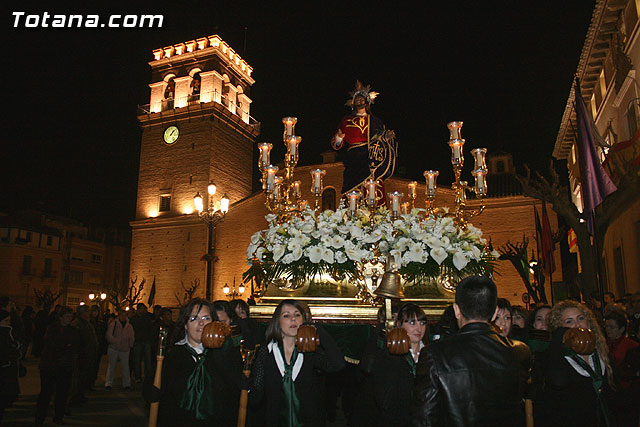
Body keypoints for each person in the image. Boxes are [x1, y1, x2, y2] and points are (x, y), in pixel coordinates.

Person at [411, 275, 532, 427]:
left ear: (456, 310)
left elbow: (424, 419)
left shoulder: (434, 355)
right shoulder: (519, 352)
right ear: (495, 313)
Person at [250, 299, 346, 426]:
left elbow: (338, 364)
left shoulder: (309, 353)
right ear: (277, 322)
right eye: (286, 315)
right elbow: (255, 399)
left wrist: (318, 331)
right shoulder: (267, 352)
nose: (293, 319)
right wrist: (249, 385)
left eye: (297, 315)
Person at [153, 298, 244, 426]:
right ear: (185, 325)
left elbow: (233, 396)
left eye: (206, 318)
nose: (201, 323)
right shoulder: (172, 356)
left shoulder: (226, 355)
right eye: (194, 319)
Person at [533, 300, 613, 427]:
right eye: (569, 321)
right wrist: (560, 337)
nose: (577, 324)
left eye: (581, 318)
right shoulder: (557, 358)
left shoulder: (602, 353)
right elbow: (557, 381)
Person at [354, 303, 428, 427]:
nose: (418, 328)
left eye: (422, 323)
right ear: (399, 325)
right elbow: (383, 398)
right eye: (412, 323)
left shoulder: (430, 354)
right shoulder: (389, 357)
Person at [331, 81, 397, 196]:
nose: (359, 102)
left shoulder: (375, 121)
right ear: (353, 103)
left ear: (367, 102)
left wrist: (386, 137)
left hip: (371, 157)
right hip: (353, 157)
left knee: (373, 185)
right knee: (352, 186)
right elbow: (336, 143)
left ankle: (375, 210)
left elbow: (380, 137)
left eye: (361, 100)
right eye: (357, 100)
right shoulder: (346, 121)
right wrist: (339, 139)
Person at [36, 306, 79, 426]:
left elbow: (75, 345)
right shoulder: (53, 329)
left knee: (62, 393)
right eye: (66, 317)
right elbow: (52, 344)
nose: (69, 319)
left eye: (71, 317)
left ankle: (58, 416)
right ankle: (40, 417)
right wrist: (65, 348)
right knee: (46, 393)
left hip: (65, 366)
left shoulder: (73, 330)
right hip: (50, 365)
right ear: (60, 317)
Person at [604, 310, 639, 426]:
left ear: (622, 329)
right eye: (607, 326)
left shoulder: (632, 346)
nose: (608, 329)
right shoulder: (602, 344)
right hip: (609, 393)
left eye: (612, 327)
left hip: (627, 393)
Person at [71, 305, 98, 405]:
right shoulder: (77, 323)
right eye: (87, 311)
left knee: (83, 376)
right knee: (78, 377)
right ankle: (75, 397)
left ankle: (80, 395)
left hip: (87, 354)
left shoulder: (87, 323)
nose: (89, 313)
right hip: (81, 354)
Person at [105, 309, 135, 390]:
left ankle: (126, 383)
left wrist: (130, 345)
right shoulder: (114, 324)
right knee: (112, 365)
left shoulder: (129, 326)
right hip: (114, 347)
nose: (124, 317)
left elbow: (132, 336)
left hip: (125, 348)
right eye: (122, 315)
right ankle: (109, 382)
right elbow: (109, 335)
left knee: (125, 366)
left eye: (125, 315)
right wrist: (115, 341)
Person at [0, 310, 20, 424]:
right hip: (4, 366)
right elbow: (7, 349)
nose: (8, 323)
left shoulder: (9, 332)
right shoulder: (4, 333)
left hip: (8, 367)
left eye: (9, 321)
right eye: (6, 321)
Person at [130, 303, 155, 383]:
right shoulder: (134, 319)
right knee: (137, 360)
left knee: (148, 360)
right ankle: (138, 377)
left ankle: (147, 376)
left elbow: (150, 328)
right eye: (142, 309)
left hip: (146, 341)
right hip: (137, 341)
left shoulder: (147, 318)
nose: (143, 310)